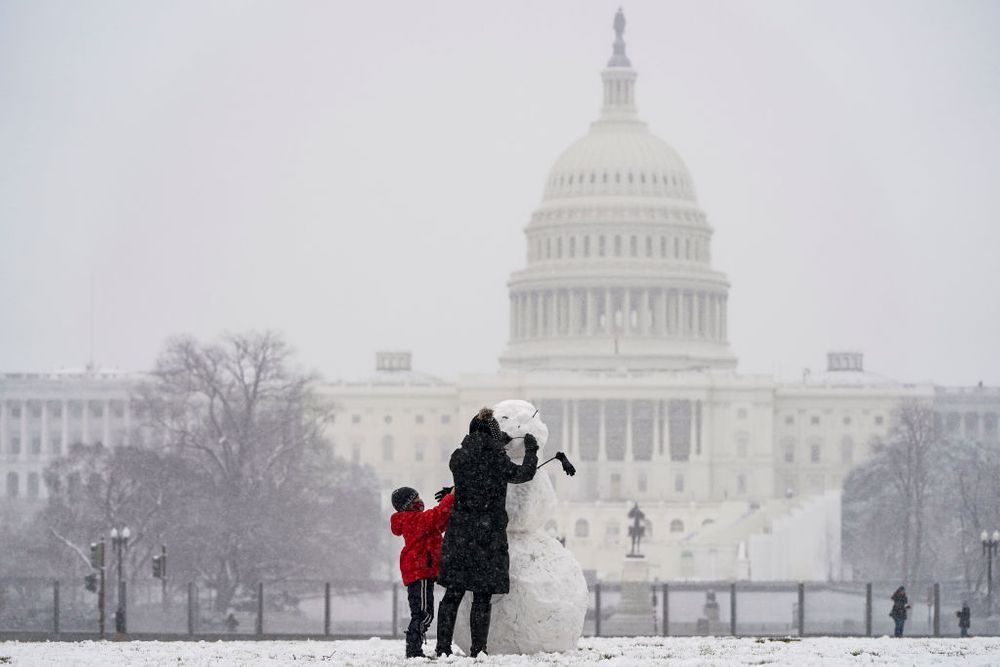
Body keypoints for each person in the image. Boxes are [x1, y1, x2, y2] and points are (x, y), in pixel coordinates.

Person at [434, 407, 538, 658]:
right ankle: (478, 649)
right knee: (482, 597)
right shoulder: (496, 459)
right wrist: (531, 451)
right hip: (488, 536)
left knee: (453, 594)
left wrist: (493, 442)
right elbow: (523, 474)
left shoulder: (458, 457)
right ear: (494, 435)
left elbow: (473, 473)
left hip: (460, 534)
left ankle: (442, 647)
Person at [390, 484, 455, 659]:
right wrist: (450, 497)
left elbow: (438, 523)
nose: (420, 500)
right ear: (408, 505)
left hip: (420, 572)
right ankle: (413, 648)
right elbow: (436, 516)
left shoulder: (415, 520)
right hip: (421, 572)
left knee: (421, 612)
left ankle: (414, 646)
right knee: (423, 613)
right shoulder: (412, 519)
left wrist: (447, 503)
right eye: (416, 498)